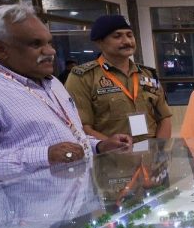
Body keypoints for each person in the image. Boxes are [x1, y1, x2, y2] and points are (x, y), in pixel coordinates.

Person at [0, 4, 131, 183]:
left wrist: (99, 146)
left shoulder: (52, 83)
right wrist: (44, 156)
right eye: (35, 44)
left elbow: (67, 138)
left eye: (49, 42)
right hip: (24, 208)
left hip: (78, 199)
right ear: (1, 50)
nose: (51, 51)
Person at [65, 15, 172, 143]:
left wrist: (159, 149)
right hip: (109, 154)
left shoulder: (147, 74)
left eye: (130, 35)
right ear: (100, 42)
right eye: (117, 36)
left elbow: (164, 118)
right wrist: (115, 147)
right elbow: (81, 127)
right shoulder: (83, 77)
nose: (127, 41)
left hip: (150, 152)